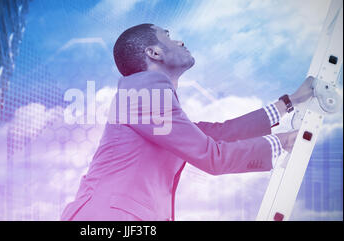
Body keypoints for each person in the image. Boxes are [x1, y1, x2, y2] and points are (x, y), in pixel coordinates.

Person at [60, 23, 314, 221]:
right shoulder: (143, 95)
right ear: (154, 52)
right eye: (168, 36)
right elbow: (211, 155)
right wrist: (282, 142)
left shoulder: (147, 101)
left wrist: (288, 103)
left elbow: (217, 134)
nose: (180, 41)